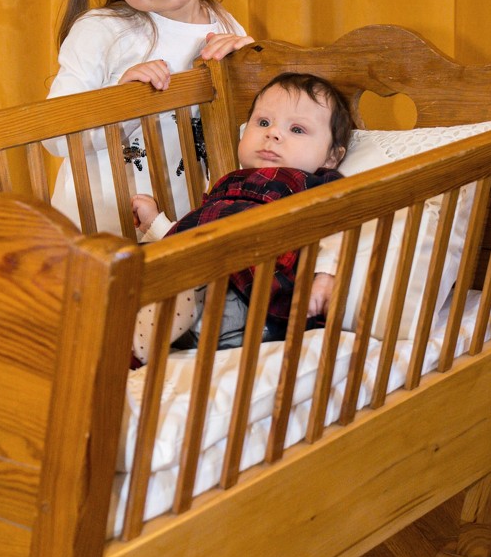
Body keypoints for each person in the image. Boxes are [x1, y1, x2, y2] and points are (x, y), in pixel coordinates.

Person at [47, 0, 253, 232]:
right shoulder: (102, 32)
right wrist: (120, 103)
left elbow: (254, 136)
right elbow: (54, 135)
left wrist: (251, 70)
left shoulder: (227, 27)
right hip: (95, 236)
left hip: (175, 231)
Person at [131, 72, 354, 362]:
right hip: (197, 271)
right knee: (132, 266)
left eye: (297, 129)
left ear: (332, 157)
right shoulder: (228, 181)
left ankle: (131, 346)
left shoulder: (319, 185)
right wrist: (155, 224)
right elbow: (193, 232)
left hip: (249, 292)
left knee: (190, 284)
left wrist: (325, 275)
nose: (273, 133)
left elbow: (340, 228)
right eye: (263, 122)